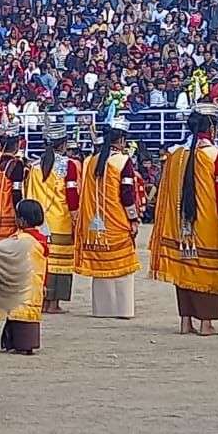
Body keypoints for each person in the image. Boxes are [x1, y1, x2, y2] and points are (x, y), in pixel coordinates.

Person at [148, 104, 218, 337]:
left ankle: (185, 321)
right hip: (206, 223)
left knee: (184, 270)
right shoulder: (214, 155)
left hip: (181, 225)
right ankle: (206, 323)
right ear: (211, 127)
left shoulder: (175, 154)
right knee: (207, 271)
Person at [75, 117, 141, 319]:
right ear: (121, 141)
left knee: (101, 266)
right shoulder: (122, 161)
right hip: (117, 221)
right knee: (121, 268)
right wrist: (133, 218)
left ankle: (102, 309)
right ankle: (123, 309)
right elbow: (127, 193)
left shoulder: (92, 160)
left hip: (95, 223)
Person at [24, 123, 80, 313]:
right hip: (61, 220)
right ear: (63, 144)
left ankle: (42, 300)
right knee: (60, 263)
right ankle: (54, 304)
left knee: (43, 260)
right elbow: (72, 193)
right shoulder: (68, 165)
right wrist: (75, 217)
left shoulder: (34, 166)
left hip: (39, 221)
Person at [0, 199, 48, 355]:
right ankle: (27, 343)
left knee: (16, 314)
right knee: (28, 316)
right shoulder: (42, 240)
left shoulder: (18, 240)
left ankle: (17, 343)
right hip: (36, 286)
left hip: (19, 284)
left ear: (22, 221)